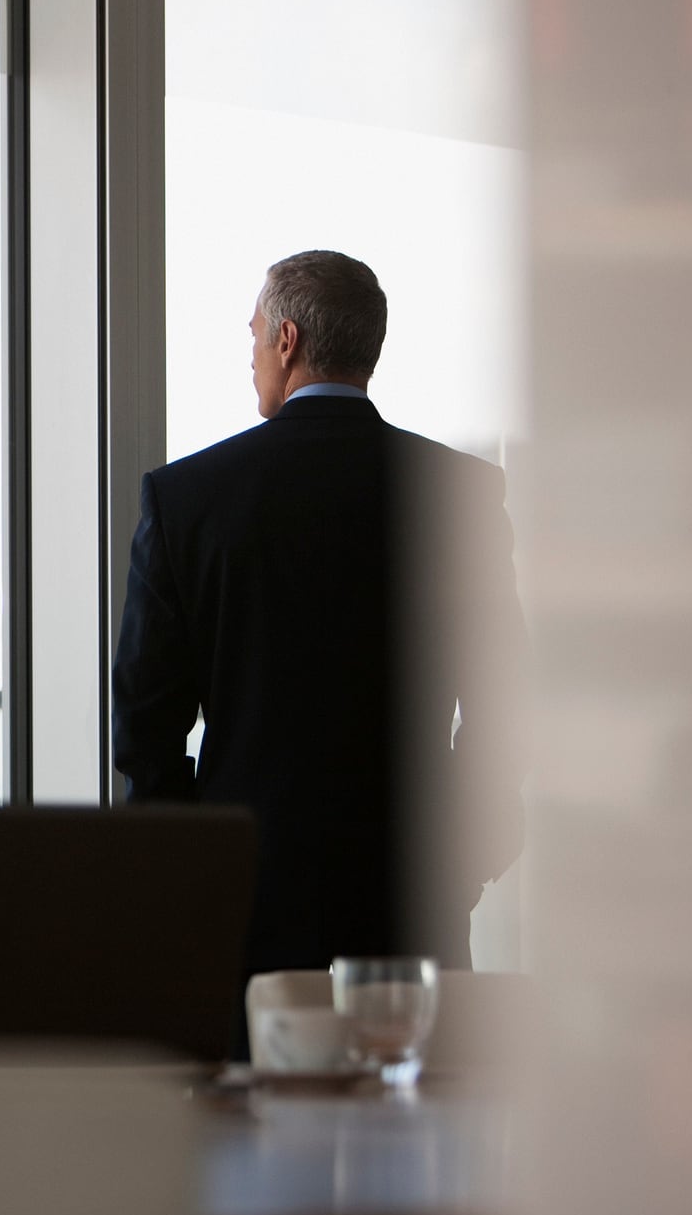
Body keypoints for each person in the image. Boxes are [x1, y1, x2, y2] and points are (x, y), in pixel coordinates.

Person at [111, 250, 523, 975]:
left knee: (251, 1084)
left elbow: (145, 723)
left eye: (253, 335)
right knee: (413, 1085)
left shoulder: (187, 500)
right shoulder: (459, 494)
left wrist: (192, 868)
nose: (250, 357)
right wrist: (464, 857)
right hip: (411, 893)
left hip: (248, 901)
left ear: (286, 340)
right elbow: (505, 701)